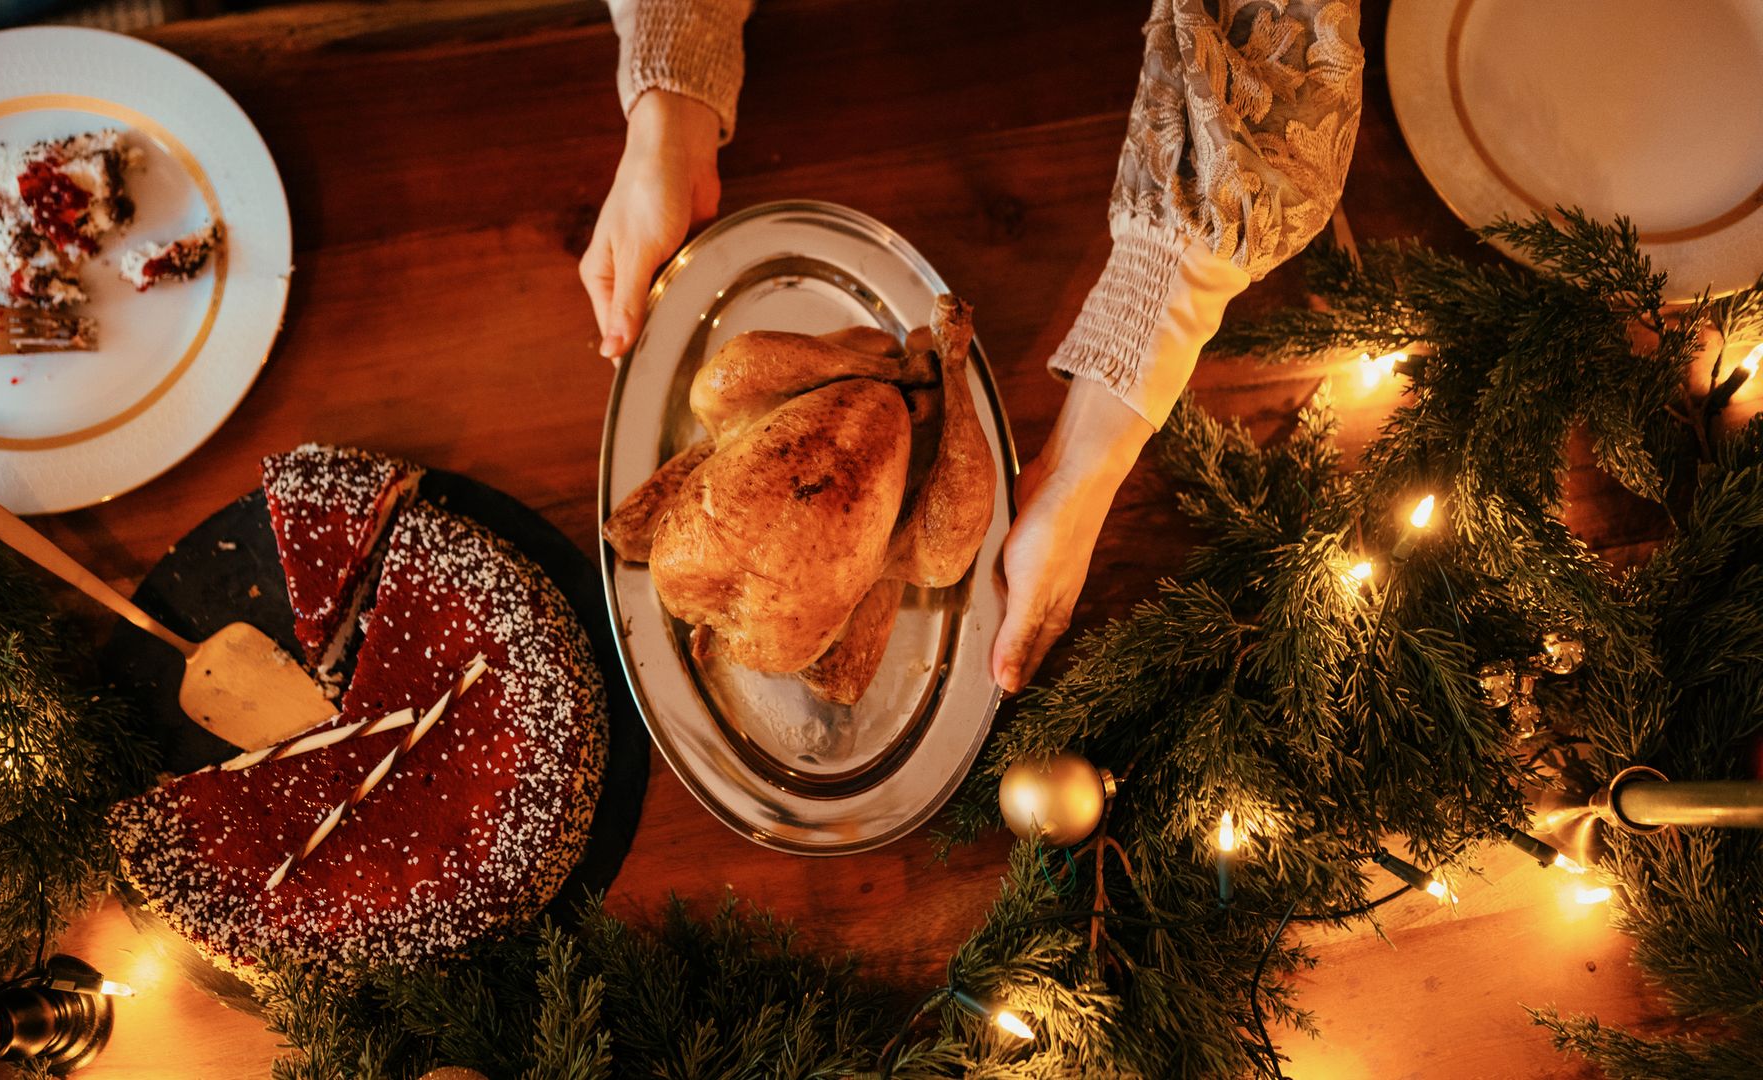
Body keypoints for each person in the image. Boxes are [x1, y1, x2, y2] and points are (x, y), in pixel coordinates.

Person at [582, 0, 1363, 694]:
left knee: (915, 536)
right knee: (728, 396)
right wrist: (671, 102)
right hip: (819, 64)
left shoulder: (892, 546)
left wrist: (1083, 464)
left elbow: (1284, 38)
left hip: (1074, 84)